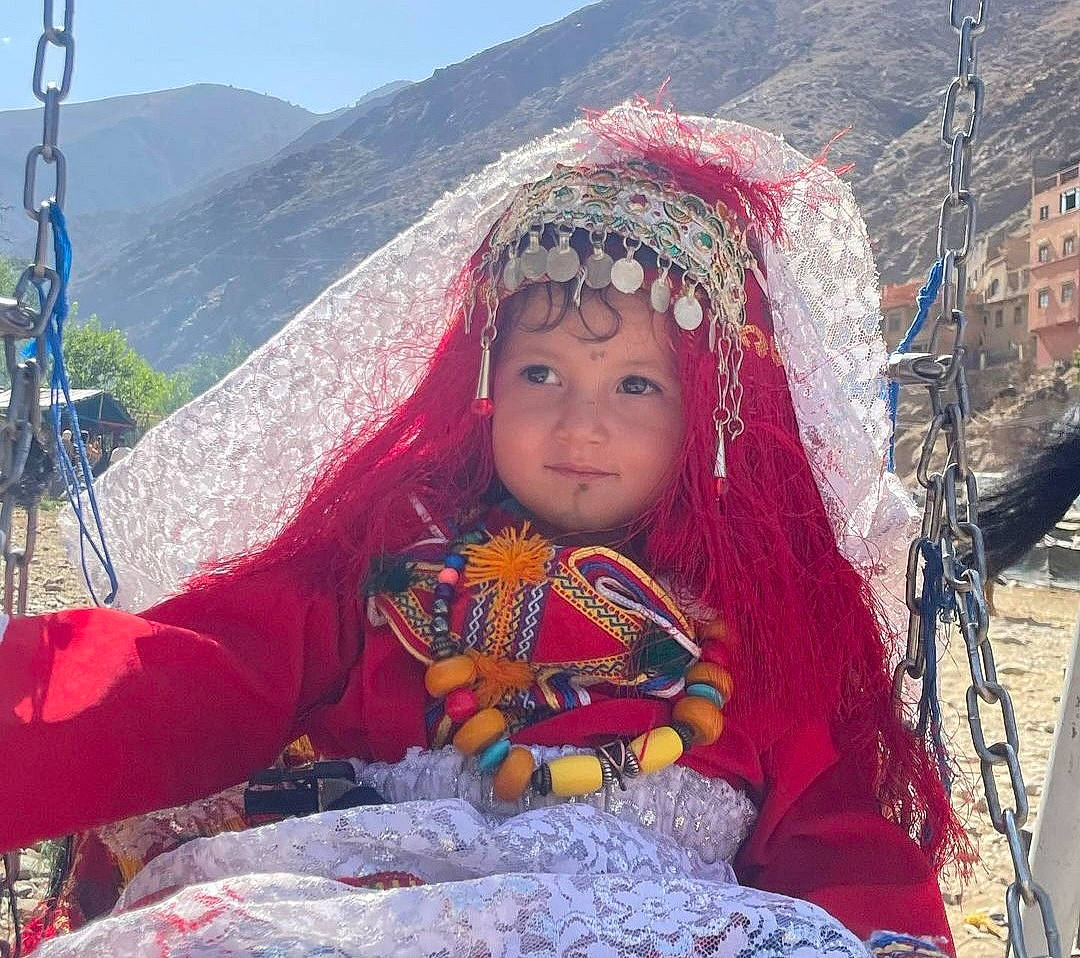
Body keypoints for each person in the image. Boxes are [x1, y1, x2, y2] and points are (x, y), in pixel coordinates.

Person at [0, 100, 967, 956]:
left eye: (637, 385)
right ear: (483, 387)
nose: (580, 425)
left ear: (709, 420)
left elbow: (835, 837)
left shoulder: (759, 633)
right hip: (369, 911)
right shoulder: (392, 568)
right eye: (541, 373)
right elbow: (203, 675)